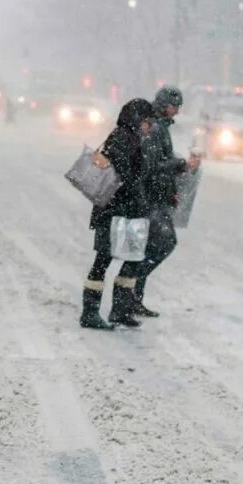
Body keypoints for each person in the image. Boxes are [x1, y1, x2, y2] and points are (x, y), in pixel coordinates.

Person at [81, 98, 155, 330]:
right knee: (103, 260)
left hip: (125, 211)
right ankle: (90, 312)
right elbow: (125, 176)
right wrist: (140, 198)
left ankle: (120, 310)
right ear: (137, 119)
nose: (149, 126)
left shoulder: (130, 138)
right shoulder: (123, 138)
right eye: (147, 121)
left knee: (132, 258)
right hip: (114, 211)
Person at [134, 86, 201, 317]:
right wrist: (182, 165)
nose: (177, 112)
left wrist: (180, 164)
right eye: (174, 106)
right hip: (152, 197)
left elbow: (160, 159)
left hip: (156, 195)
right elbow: (153, 166)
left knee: (149, 247)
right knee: (164, 243)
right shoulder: (155, 128)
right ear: (164, 105)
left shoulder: (158, 126)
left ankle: (132, 295)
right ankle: (130, 287)